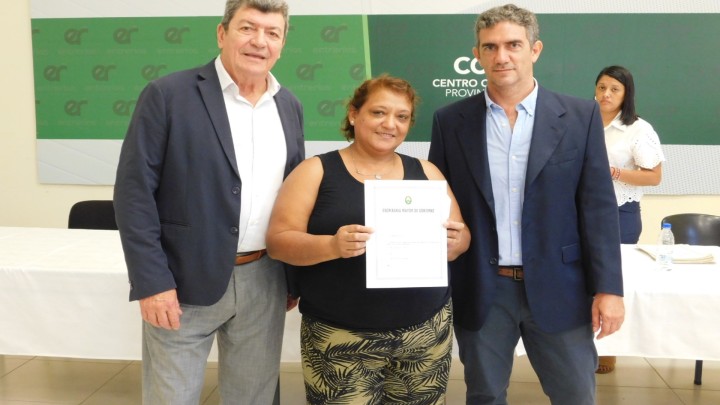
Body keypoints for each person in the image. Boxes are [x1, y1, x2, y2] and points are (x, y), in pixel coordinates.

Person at [428, 4, 625, 404]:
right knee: (484, 395)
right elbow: (439, 202)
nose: (501, 56)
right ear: (478, 54)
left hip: (561, 288)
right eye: (490, 47)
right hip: (484, 288)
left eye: (513, 45)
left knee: (575, 395)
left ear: (535, 49)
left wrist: (609, 289)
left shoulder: (580, 116)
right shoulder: (450, 121)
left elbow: (599, 210)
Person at [113, 0, 304, 403]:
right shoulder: (167, 95)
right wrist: (153, 283)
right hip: (181, 280)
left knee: (252, 398)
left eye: (272, 33)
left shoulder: (288, 105)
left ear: (283, 44)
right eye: (247, 28)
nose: (259, 42)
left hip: (265, 278)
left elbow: (294, 197)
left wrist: (293, 278)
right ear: (222, 33)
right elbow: (134, 194)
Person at [266, 74, 470, 404]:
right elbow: (278, 242)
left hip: (424, 333)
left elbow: (461, 238)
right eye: (378, 112)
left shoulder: (428, 172)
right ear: (353, 114)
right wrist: (331, 245)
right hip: (340, 338)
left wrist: (457, 242)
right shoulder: (316, 170)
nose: (390, 124)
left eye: (402, 116)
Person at [594, 65, 665, 374]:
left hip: (620, 213)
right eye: (602, 87)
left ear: (626, 94)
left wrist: (614, 172)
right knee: (584, 280)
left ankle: (609, 350)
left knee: (612, 284)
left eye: (614, 89)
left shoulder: (638, 129)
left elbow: (654, 177)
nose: (606, 94)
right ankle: (584, 345)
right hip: (583, 211)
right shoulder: (583, 120)